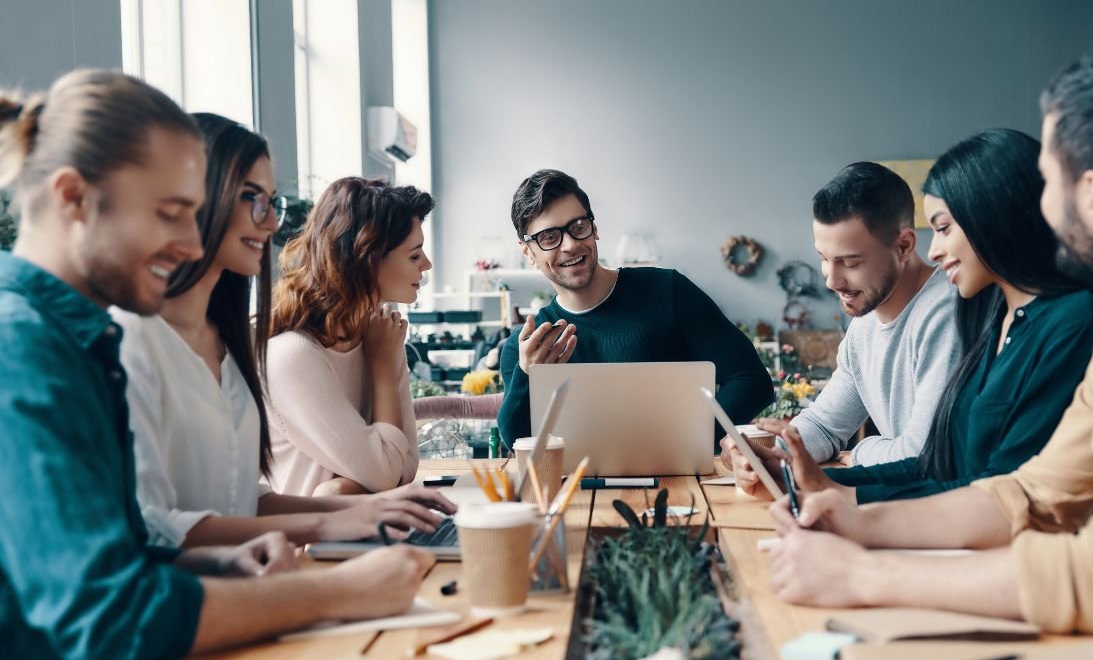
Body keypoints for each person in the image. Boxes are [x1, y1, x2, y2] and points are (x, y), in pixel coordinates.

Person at [0, 70, 433, 660]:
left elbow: (123, 551)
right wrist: (337, 593)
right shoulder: (23, 348)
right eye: (171, 212)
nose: (191, 241)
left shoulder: (80, 340)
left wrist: (216, 568)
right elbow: (109, 616)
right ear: (74, 199)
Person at [765, 46, 1093, 644]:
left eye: (1048, 181)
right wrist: (861, 521)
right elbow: (1030, 493)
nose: (1039, 204)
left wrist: (868, 573)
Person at [113, 114, 454, 547]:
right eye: (254, 199)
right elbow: (154, 529)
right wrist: (342, 512)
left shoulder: (229, 341)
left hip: (258, 574)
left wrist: (361, 508)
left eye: (272, 202)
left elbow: (242, 500)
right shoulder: (136, 340)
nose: (273, 222)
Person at [732, 129, 1093, 502]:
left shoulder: (990, 314)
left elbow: (975, 482)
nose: (831, 280)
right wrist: (788, 466)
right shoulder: (1000, 321)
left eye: (944, 228)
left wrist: (853, 467)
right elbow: (950, 469)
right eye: (823, 260)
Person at [495, 169, 773, 447]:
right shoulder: (528, 348)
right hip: (579, 489)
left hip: (679, 483)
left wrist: (688, 442)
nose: (570, 245)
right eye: (548, 237)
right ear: (528, 252)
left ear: (595, 228)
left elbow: (751, 380)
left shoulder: (668, 290)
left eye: (578, 227)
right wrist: (526, 373)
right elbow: (516, 440)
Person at [722, 162, 959, 475]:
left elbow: (924, 455)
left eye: (849, 262)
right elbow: (823, 425)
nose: (831, 281)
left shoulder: (946, 313)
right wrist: (768, 455)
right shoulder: (864, 323)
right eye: (824, 259)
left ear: (904, 246)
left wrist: (860, 452)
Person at [266, 178, 433, 497]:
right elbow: (386, 472)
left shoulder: (379, 334)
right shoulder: (294, 353)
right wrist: (383, 366)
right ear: (368, 260)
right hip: (307, 544)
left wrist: (344, 487)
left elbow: (406, 465)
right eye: (414, 255)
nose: (426, 264)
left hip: (368, 529)